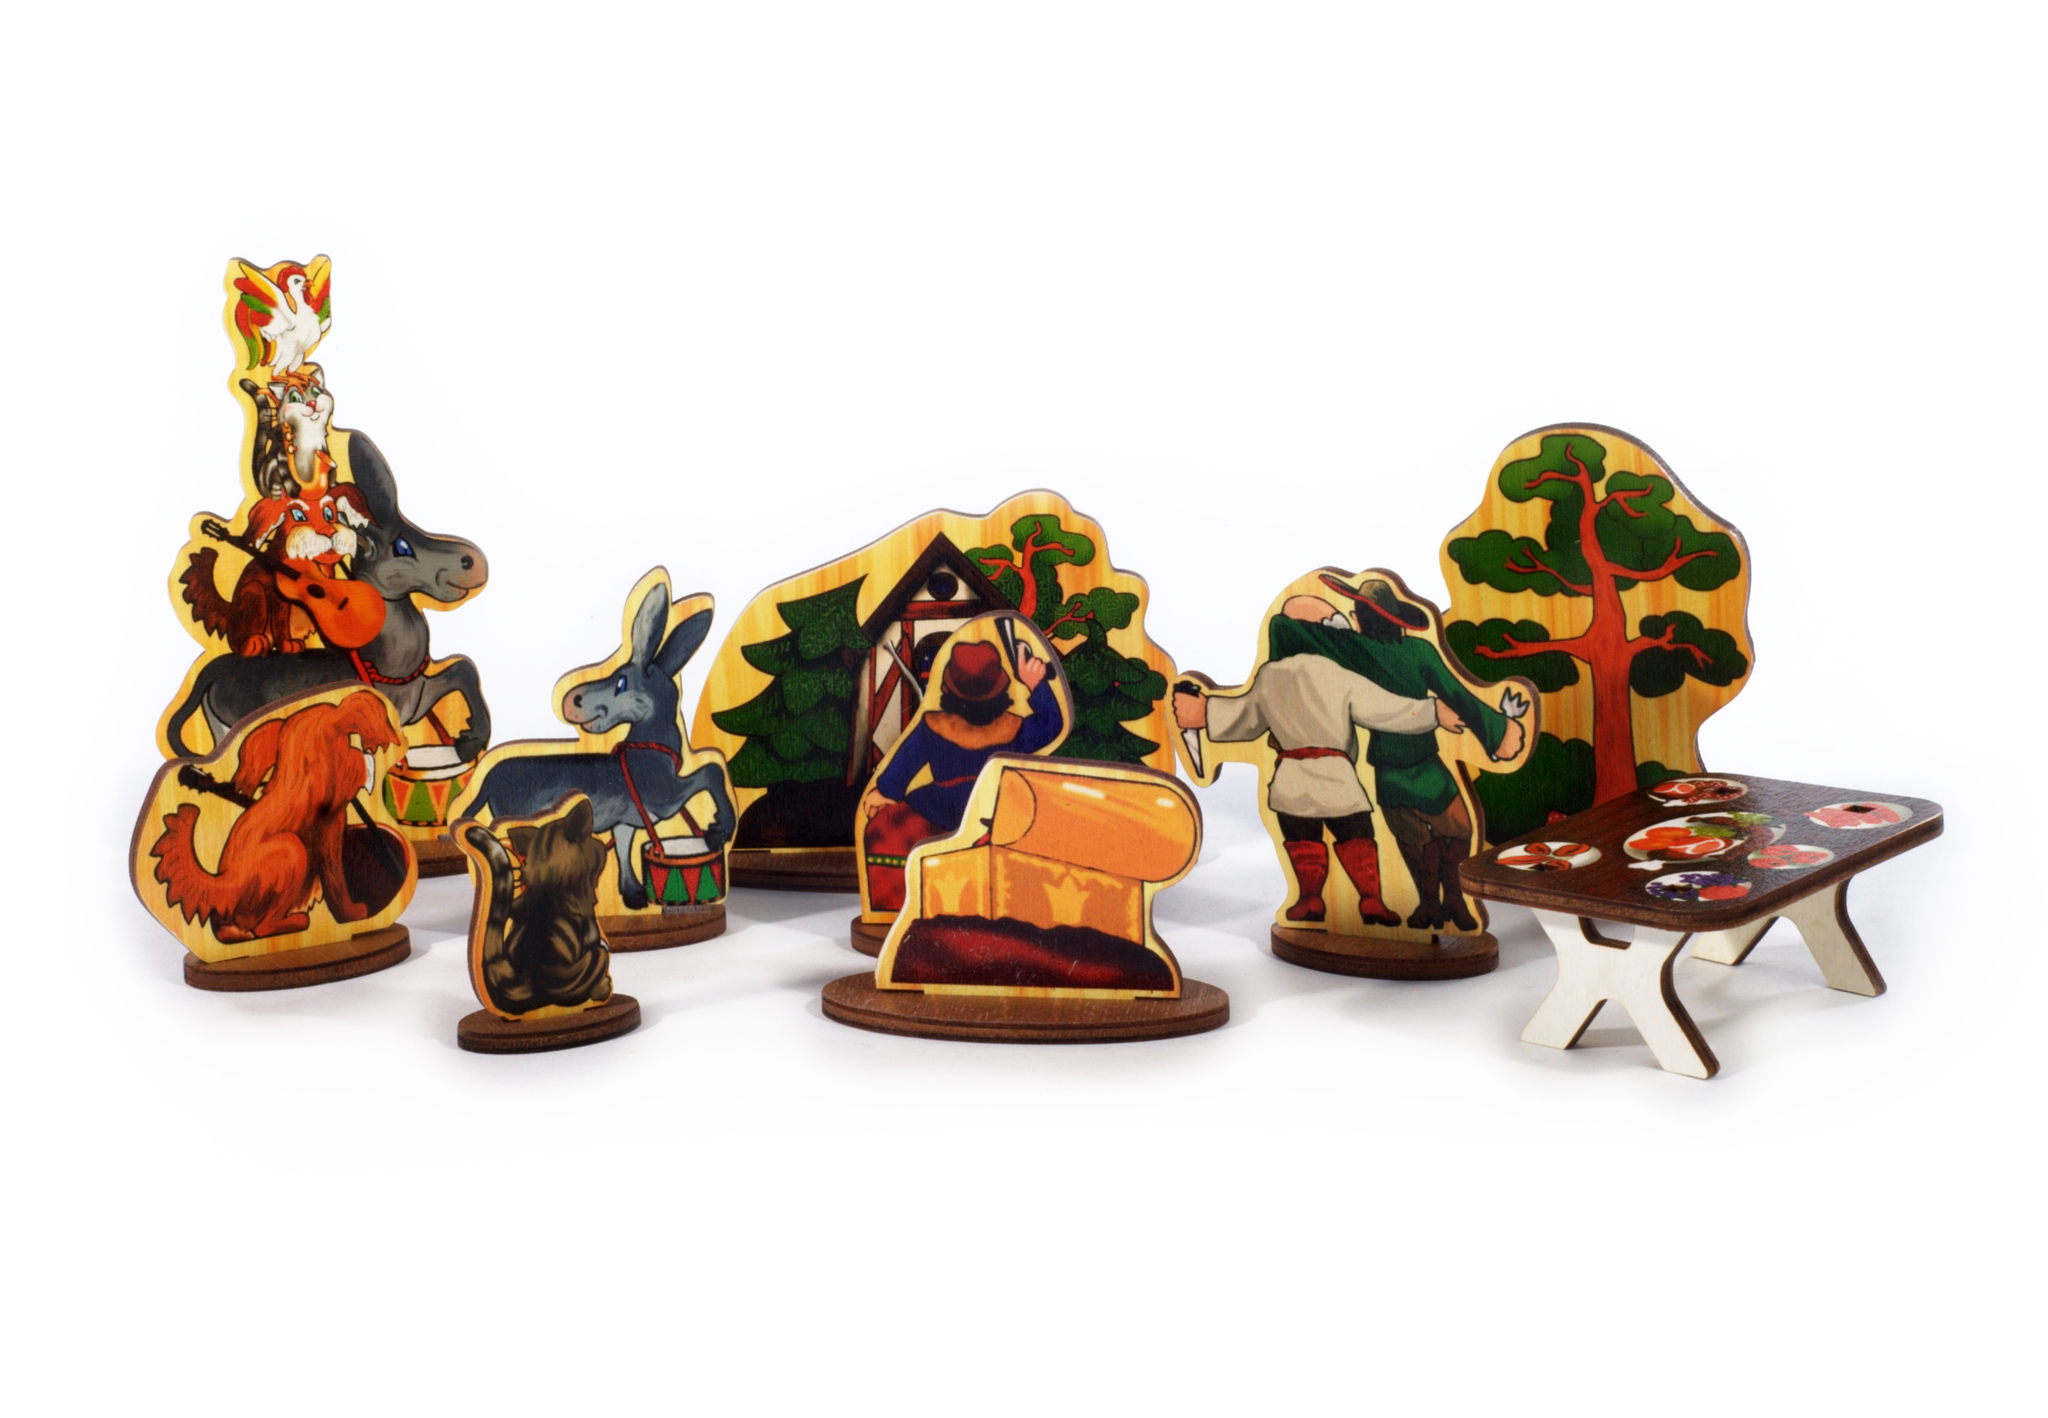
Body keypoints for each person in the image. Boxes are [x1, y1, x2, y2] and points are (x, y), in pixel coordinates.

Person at [1266, 577, 1526, 930]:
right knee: (1455, 831)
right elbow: (1456, 694)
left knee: (1420, 839)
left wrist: (1329, 621)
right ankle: (1444, 901)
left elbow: (1282, 628)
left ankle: (1438, 902)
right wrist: (1496, 733)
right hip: (1419, 758)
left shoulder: (1352, 649)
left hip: (1392, 765)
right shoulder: (1416, 650)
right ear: (1395, 618)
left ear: (1359, 618)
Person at [1175, 631, 1455, 928]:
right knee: (1356, 837)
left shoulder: (1271, 676)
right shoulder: (1339, 674)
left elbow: (1245, 718)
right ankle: (1370, 899)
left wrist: (1204, 711)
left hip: (1292, 779)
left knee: (1303, 839)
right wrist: (1433, 711)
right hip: (1337, 778)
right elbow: (1385, 709)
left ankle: (1311, 899)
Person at [860, 637, 1063, 910]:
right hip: (993, 809)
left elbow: (904, 764)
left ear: (947, 687)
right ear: (1000, 687)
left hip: (939, 808)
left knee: (889, 830)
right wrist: (1035, 682)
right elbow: (1051, 723)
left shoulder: (933, 726)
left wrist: (884, 791)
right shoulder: (1014, 730)